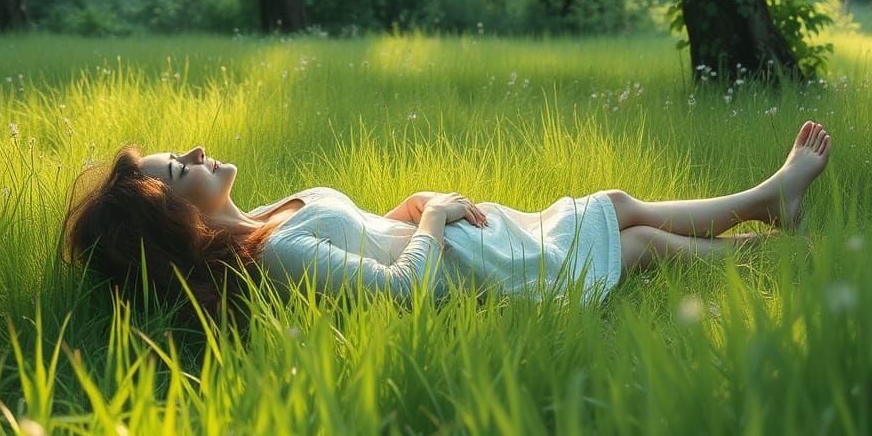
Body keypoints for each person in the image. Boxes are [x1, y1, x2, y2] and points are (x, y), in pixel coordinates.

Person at [60, 120, 832, 319]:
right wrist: (430, 223)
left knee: (623, 213)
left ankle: (771, 210)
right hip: (477, 283)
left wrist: (411, 207)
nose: (193, 151)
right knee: (641, 244)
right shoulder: (275, 256)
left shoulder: (267, 215)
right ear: (177, 226)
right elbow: (401, 294)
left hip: (473, 246)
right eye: (176, 168)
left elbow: (364, 225)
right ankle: (775, 246)